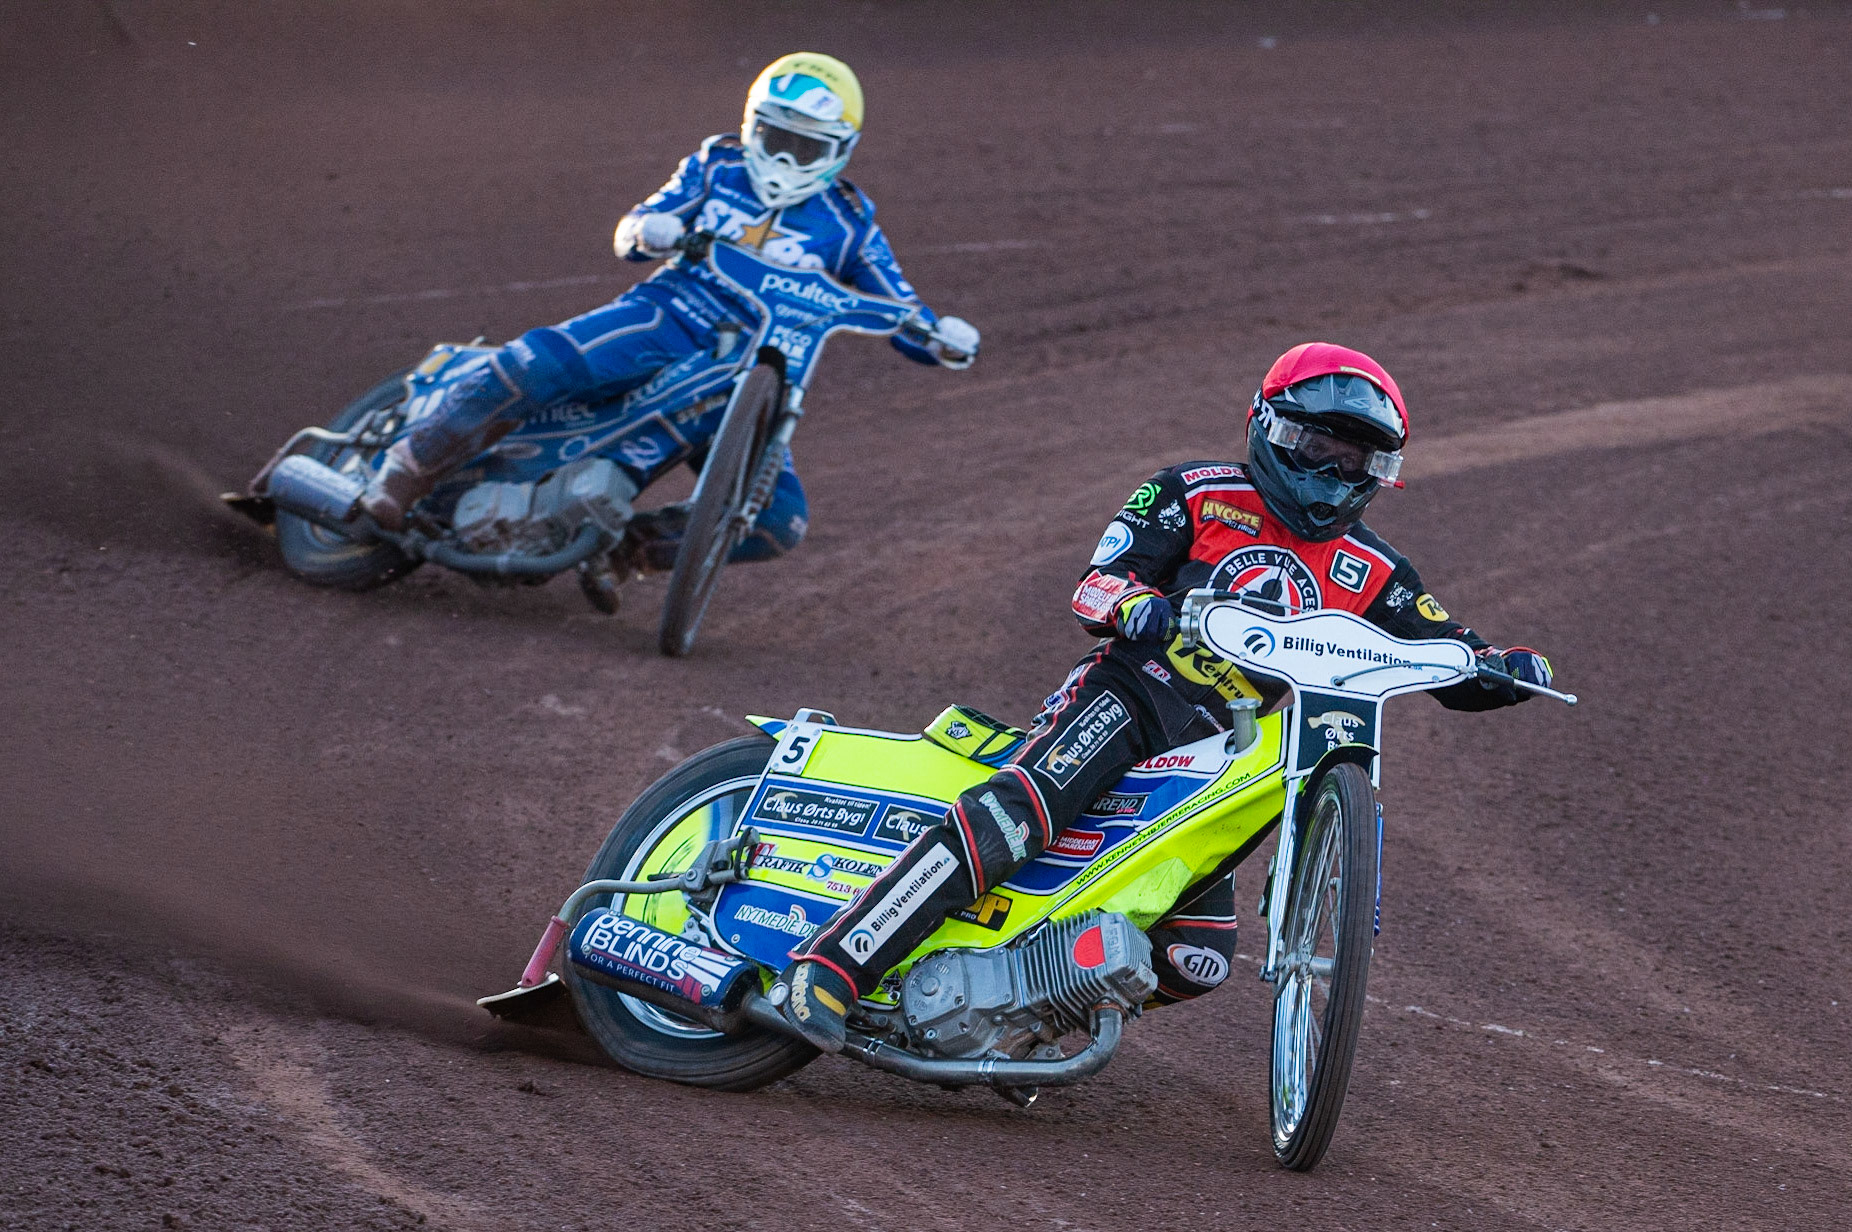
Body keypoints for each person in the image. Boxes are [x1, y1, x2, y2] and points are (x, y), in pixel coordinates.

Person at [776, 342, 1555, 1049]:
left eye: (1356, 461)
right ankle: (830, 966)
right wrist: (1132, 604)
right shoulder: (1192, 492)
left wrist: (1502, 667)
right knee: (1018, 817)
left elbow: (1444, 646)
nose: (1332, 472)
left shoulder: (1377, 569)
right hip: (1128, 695)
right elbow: (1096, 584)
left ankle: (1014, 1009)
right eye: (1319, 447)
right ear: (1271, 428)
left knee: (1197, 956)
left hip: (1222, 752)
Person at [360, 52, 980, 564]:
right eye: (776, 138)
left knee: (779, 521)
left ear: (841, 149)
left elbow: (900, 308)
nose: (786, 159)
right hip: (668, 316)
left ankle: (616, 551)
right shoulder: (717, 165)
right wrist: (649, 230)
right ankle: (406, 470)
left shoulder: (850, 224)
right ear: (752, 126)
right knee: (542, 362)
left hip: (754, 373)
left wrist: (939, 338)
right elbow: (633, 230)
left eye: (806, 147)